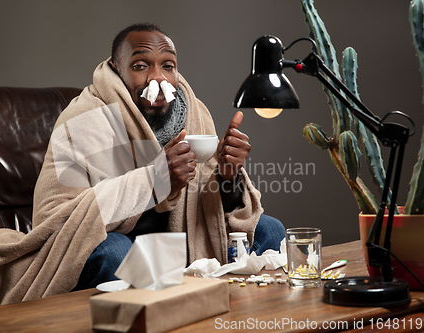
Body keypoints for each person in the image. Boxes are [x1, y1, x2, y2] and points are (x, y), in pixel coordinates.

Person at [32, 23, 284, 290]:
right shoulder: (84, 120)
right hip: (123, 241)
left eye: (168, 66)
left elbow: (208, 204)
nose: (157, 78)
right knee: (117, 254)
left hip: (183, 240)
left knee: (271, 230)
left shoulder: (194, 113)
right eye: (140, 66)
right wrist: (156, 181)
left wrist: (227, 177)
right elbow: (54, 220)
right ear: (117, 70)